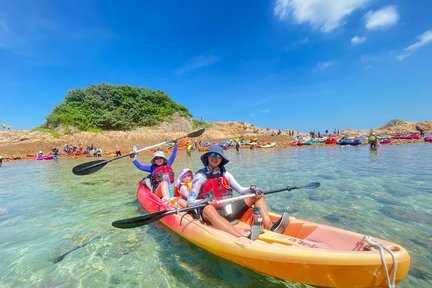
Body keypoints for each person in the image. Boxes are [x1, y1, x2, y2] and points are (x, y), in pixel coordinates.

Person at [187, 145, 288, 238]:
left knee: (256, 196)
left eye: (218, 155)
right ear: (208, 157)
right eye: (212, 154)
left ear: (221, 159)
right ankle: (241, 237)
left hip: (227, 210)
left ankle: (271, 226)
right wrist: (203, 202)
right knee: (208, 208)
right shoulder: (200, 176)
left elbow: (241, 190)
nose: (215, 157)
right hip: (210, 213)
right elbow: (190, 201)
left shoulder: (226, 174)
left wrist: (252, 189)